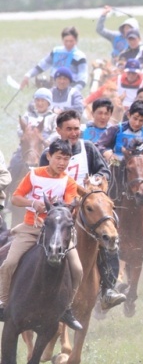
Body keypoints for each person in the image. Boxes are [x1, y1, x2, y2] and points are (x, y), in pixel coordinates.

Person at [37, 110, 125, 310]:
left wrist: (96, 181)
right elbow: (43, 179)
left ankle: (109, 288)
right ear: (59, 130)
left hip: (88, 204)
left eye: (77, 128)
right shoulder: (47, 154)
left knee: (111, 226)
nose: (74, 133)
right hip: (59, 207)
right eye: (69, 129)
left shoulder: (89, 148)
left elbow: (104, 171)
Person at [0, 140, 84, 330]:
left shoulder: (69, 182)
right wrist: (33, 203)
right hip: (32, 227)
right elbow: (15, 198)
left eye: (66, 159)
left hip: (57, 231)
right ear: (49, 157)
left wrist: (57, 207)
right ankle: (4, 303)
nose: (62, 163)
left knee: (78, 269)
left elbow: (69, 206)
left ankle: (67, 308)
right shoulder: (34, 175)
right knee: (9, 263)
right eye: (58, 158)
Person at [96, 100, 143, 264]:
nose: (137, 123)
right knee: (102, 206)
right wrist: (108, 153)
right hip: (117, 173)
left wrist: (142, 159)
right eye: (135, 118)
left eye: (141, 120)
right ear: (129, 115)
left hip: (139, 176)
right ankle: (97, 242)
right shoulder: (116, 129)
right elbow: (99, 145)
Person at [20, 27, 88, 92]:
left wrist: (74, 91)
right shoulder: (56, 51)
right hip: (53, 87)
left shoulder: (80, 56)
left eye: (71, 41)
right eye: (66, 41)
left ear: (76, 41)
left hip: (70, 89)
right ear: (62, 40)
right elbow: (42, 65)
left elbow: (83, 78)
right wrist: (28, 75)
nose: (68, 43)